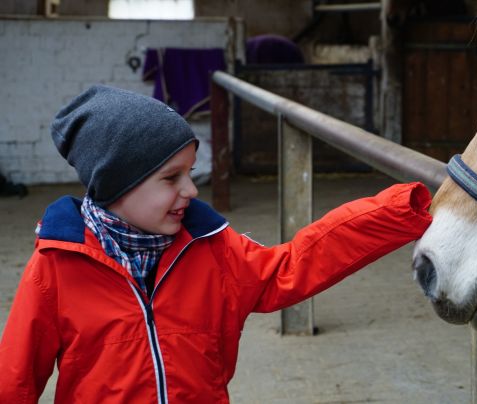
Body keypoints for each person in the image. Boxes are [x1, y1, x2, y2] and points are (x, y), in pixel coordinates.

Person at [0, 85, 432, 403]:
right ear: (116, 184)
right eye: (171, 177)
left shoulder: (213, 249)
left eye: (189, 172)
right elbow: (15, 378)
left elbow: (295, 265)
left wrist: (398, 210)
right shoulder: (58, 264)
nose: (190, 189)